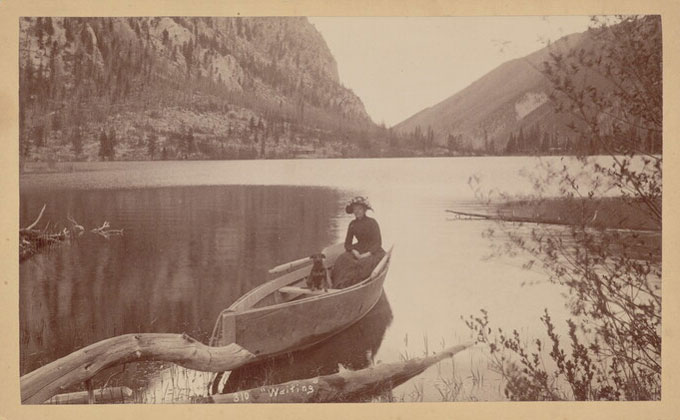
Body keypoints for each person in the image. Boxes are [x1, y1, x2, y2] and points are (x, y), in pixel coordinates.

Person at [331, 196, 386, 289]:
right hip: (359, 248)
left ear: (364, 210)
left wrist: (367, 254)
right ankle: (340, 285)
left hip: (373, 250)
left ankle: (356, 285)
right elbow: (347, 244)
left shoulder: (372, 222)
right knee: (342, 259)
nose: (357, 211)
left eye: (359, 209)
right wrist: (354, 251)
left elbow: (378, 242)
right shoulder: (352, 224)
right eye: (355, 209)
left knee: (363, 264)